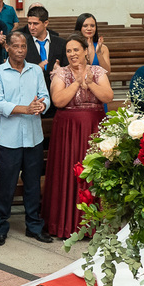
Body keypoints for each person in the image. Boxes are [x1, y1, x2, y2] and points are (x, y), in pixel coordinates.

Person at [45, 34, 113, 239]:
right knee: (69, 172)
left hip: (94, 127)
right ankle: (67, 224)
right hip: (68, 130)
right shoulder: (61, 73)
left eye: (76, 50)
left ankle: (96, 225)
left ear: (86, 51)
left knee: (96, 173)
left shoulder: (98, 71)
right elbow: (57, 100)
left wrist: (90, 84)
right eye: (69, 51)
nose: (72, 54)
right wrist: (76, 83)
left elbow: (108, 96)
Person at [0, 31, 52, 246]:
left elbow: (45, 96)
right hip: (9, 139)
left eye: (23, 46)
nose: (20, 50)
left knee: (33, 184)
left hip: (34, 137)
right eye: (16, 46)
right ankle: (0, 227)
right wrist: (25, 108)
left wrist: (41, 105)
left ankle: (33, 226)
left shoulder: (35, 70)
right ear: (7, 47)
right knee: (6, 185)